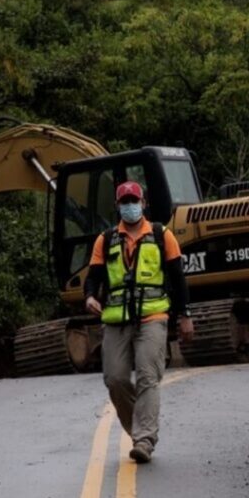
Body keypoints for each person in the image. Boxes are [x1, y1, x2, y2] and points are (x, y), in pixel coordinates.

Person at [83, 181, 195, 463]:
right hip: (116, 318)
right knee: (115, 379)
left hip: (152, 317)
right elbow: (93, 277)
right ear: (117, 206)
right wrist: (89, 297)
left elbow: (178, 278)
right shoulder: (106, 239)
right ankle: (138, 429)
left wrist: (185, 316)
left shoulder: (161, 235)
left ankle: (144, 439)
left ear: (144, 203)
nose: (130, 206)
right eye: (125, 202)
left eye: (134, 201)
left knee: (148, 377)